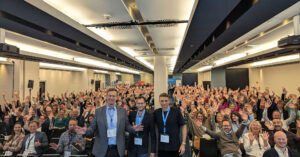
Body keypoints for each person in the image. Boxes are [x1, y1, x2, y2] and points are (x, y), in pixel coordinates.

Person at [77, 88, 143, 157]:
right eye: (109, 96)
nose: (111, 98)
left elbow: (127, 126)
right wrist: (86, 131)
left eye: (113, 96)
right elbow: (92, 127)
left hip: (117, 149)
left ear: (117, 97)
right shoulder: (98, 111)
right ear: (106, 96)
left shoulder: (122, 111)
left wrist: (133, 129)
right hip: (101, 150)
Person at [153, 93, 187, 157]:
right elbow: (149, 123)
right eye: (162, 101)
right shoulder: (156, 112)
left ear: (169, 101)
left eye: (166, 101)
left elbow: (184, 126)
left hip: (175, 147)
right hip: (162, 147)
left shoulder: (176, 112)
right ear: (159, 101)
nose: (164, 103)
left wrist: (183, 144)